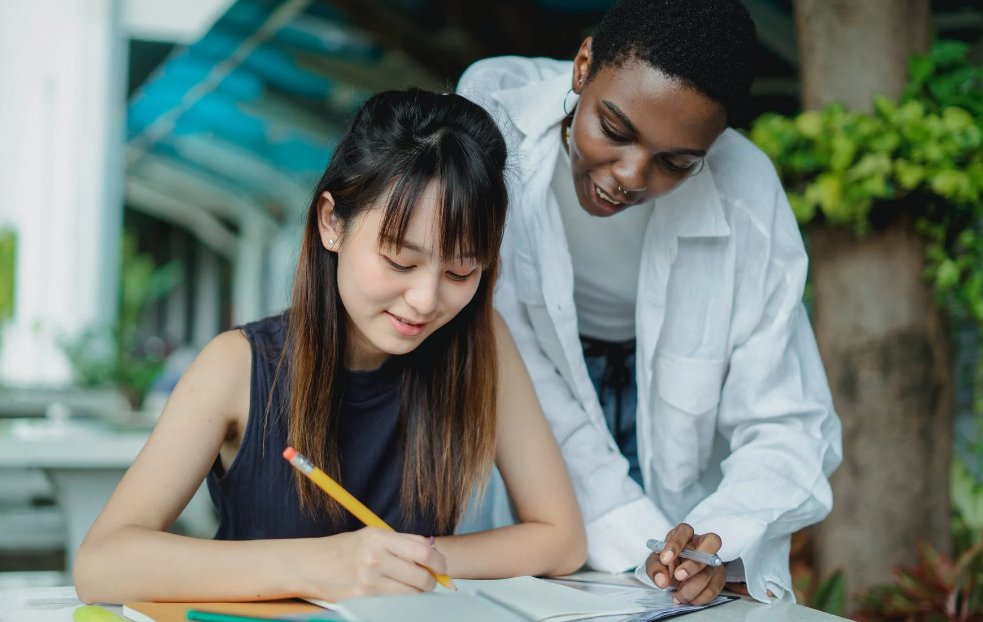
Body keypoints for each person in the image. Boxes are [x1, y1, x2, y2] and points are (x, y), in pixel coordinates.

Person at [73, 89, 586, 605]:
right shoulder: (237, 365)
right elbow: (102, 563)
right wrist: (321, 565)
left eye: (460, 270)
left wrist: (407, 561)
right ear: (331, 223)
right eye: (400, 262)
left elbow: (561, 539)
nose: (426, 299)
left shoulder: (481, 341)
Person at [456, 0, 843, 605]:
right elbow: (517, 355)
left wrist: (714, 541)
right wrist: (649, 546)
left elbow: (787, 420)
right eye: (614, 130)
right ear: (582, 66)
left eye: (677, 162)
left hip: (676, 441)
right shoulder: (493, 132)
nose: (633, 176)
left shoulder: (747, 196)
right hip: (532, 391)